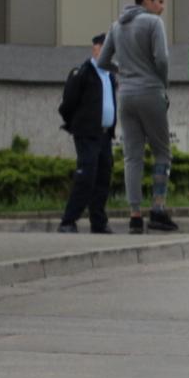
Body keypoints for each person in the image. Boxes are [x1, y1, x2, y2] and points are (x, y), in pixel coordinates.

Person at [98, 0, 177, 234]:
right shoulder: (154, 24)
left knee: (132, 157)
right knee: (162, 152)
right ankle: (158, 208)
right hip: (151, 92)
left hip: (126, 96)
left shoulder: (116, 26)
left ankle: (134, 216)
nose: (162, 8)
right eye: (160, 1)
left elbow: (102, 60)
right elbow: (162, 59)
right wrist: (162, 84)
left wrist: (123, 72)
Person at [55, 33, 117, 234]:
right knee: (86, 176)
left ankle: (98, 222)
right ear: (95, 49)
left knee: (103, 176)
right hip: (87, 133)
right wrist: (76, 124)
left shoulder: (110, 75)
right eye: (103, 47)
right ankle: (68, 221)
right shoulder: (83, 73)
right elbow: (68, 103)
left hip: (105, 135)